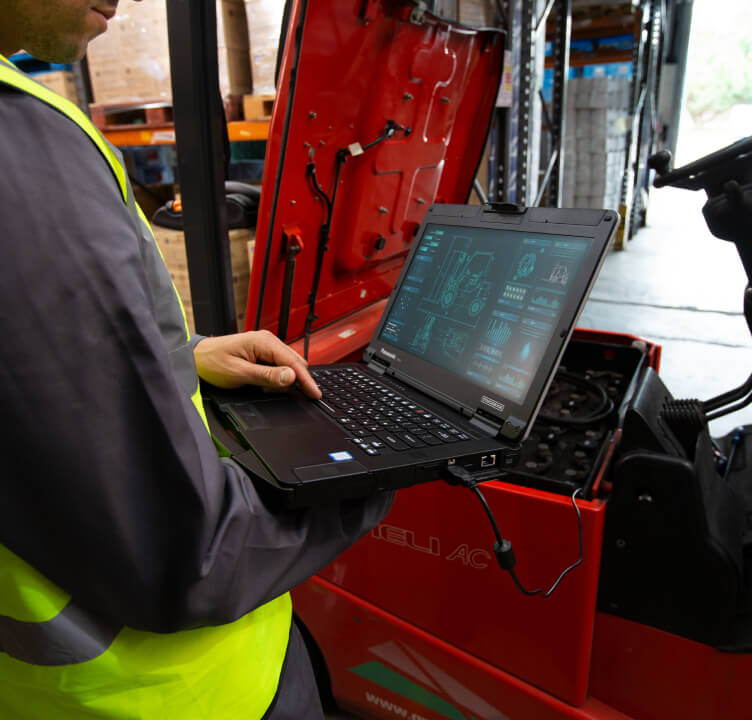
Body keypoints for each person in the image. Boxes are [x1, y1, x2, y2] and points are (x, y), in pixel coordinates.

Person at [0, 2, 394, 718]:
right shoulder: (16, 145)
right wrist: (378, 467)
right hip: (175, 696)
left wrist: (180, 358)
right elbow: (189, 554)